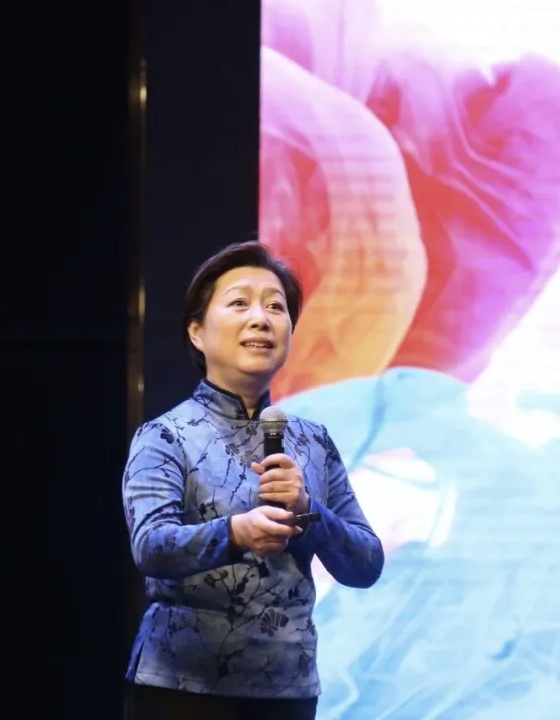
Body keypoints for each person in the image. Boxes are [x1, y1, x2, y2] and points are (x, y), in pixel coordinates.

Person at [121, 241, 385, 719]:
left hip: (289, 690)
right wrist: (236, 533)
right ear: (197, 332)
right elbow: (151, 548)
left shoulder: (313, 441)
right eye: (240, 303)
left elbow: (366, 564)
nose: (261, 318)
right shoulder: (165, 435)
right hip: (181, 689)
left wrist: (309, 510)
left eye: (276, 307)